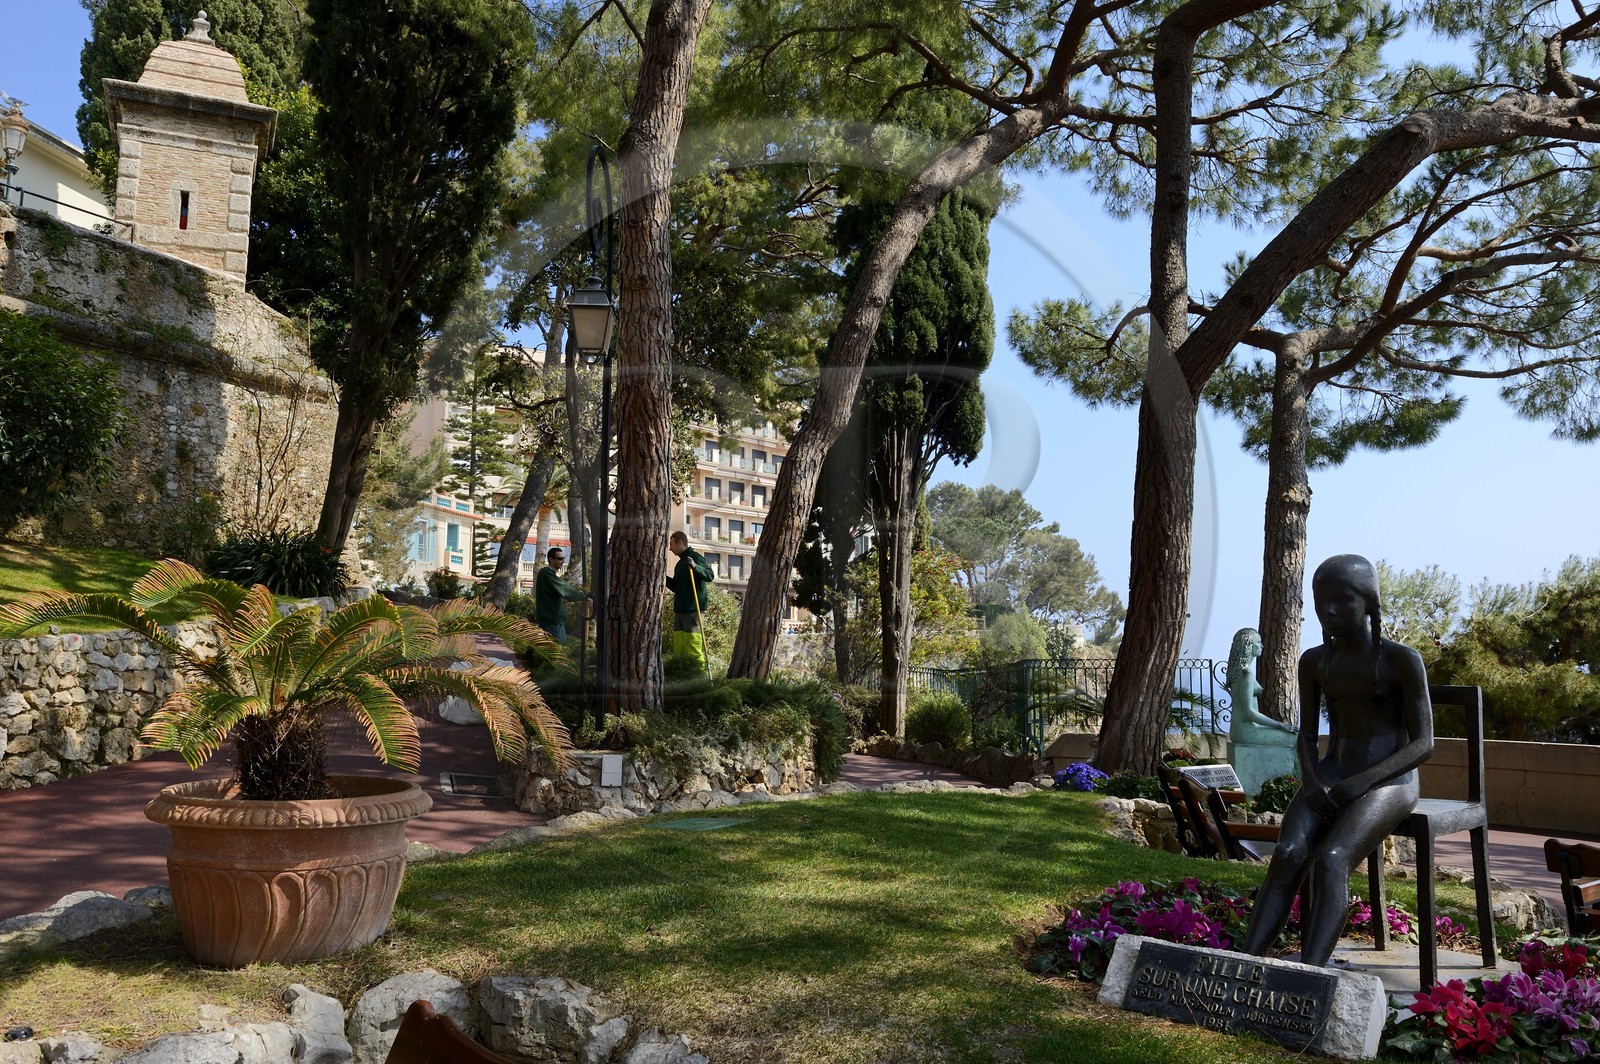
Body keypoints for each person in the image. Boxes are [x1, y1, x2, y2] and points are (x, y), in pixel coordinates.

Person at [1239, 554, 1434, 968]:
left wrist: (1362, 783)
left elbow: (1423, 745)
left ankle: (1310, 972)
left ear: (1368, 602)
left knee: (1332, 860)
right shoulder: (1315, 662)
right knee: (1288, 852)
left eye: (1342, 600)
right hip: (1331, 774)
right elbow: (1307, 736)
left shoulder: (1401, 660)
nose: (1328, 610)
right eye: (1320, 600)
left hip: (1390, 781)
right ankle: (1243, 964)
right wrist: (1311, 782)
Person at [1227, 627, 1297, 748]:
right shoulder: (1245, 674)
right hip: (1246, 731)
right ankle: (1298, 768)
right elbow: (1249, 713)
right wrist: (1280, 725)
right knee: (1297, 738)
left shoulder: (1238, 672)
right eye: (1258, 642)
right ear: (1248, 645)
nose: (1262, 646)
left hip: (1239, 730)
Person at [665, 531, 715, 669]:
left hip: (694, 610)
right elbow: (676, 587)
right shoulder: (680, 564)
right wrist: (663, 578)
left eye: (671, 544)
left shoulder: (695, 558)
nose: (670, 548)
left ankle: (699, 676)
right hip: (680, 610)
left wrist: (695, 566)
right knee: (679, 646)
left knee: (693, 645)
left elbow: (710, 576)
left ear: (680, 543)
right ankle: (681, 675)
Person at [534, 547, 586, 644]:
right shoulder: (545, 573)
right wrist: (584, 597)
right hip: (552, 623)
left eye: (563, 559)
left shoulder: (549, 574)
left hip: (554, 622)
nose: (562, 561)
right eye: (559, 559)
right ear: (551, 559)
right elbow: (563, 588)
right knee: (559, 655)